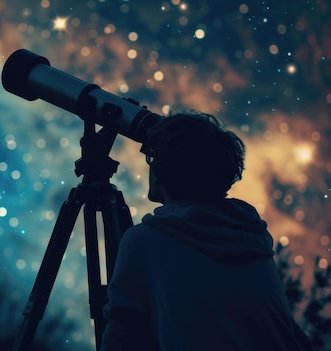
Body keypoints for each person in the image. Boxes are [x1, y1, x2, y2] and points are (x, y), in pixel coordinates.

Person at [100, 111, 312, 350]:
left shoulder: (144, 242)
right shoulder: (251, 234)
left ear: (161, 170)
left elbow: (122, 338)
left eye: (152, 157)